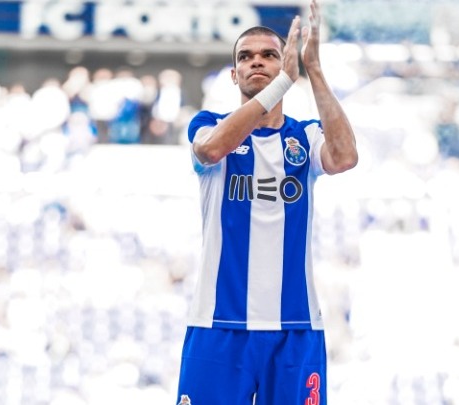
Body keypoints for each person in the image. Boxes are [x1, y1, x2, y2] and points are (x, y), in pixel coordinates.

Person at [176, 0, 358, 404]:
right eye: (245, 56)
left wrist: (313, 70)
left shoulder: (305, 137)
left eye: (269, 55)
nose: (256, 61)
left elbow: (344, 157)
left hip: (295, 325)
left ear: (285, 63)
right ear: (233, 74)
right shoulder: (207, 125)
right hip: (218, 323)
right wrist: (282, 83)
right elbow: (211, 150)